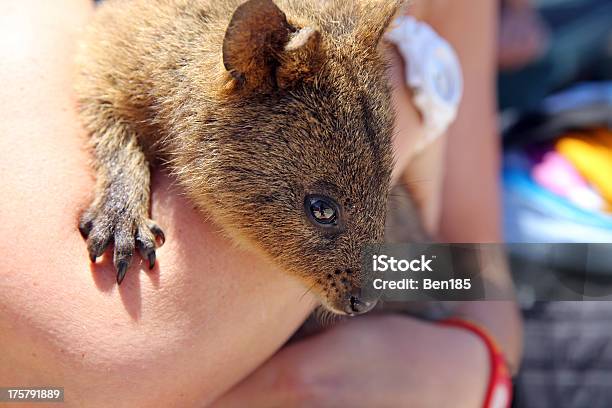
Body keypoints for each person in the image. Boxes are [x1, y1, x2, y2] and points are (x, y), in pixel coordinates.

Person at [0, 0, 522, 406]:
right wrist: (424, 79)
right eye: (322, 212)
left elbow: (482, 273)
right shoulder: (149, 51)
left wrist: (478, 366)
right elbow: (93, 362)